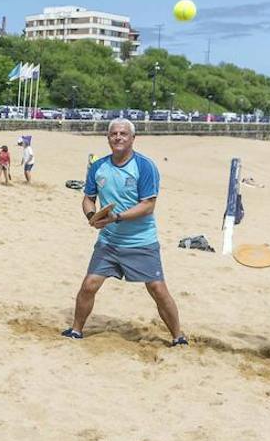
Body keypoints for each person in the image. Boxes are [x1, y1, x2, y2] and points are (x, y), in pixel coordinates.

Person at [62, 118, 187, 346]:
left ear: (132, 138)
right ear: (108, 138)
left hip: (141, 241)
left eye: (123, 134)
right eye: (114, 134)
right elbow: (88, 199)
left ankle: (178, 336)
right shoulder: (98, 167)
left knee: (157, 289)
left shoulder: (144, 166)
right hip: (109, 241)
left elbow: (148, 205)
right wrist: (93, 217)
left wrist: (116, 217)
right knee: (89, 285)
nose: (118, 137)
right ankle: (76, 330)